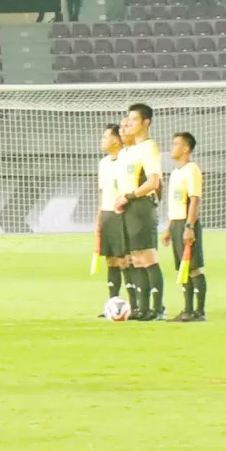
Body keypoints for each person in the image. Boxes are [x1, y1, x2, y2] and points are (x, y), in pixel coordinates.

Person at [118, 102, 167, 320]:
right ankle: (142, 308)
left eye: (134, 119)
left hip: (140, 205)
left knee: (148, 257)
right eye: (128, 119)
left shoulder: (148, 146)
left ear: (146, 122)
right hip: (129, 206)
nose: (129, 123)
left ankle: (158, 308)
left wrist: (129, 196)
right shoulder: (131, 150)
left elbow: (154, 181)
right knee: (136, 258)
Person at [92, 123, 132, 314]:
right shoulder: (103, 163)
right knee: (111, 260)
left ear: (116, 140)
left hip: (122, 213)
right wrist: (99, 217)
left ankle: (135, 304)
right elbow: (102, 192)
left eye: (105, 137)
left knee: (125, 260)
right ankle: (113, 302)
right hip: (107, 213)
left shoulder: (127, 159)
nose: (102, 140)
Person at [167, 132, 206, 322]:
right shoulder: (176, 172)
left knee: (193, 268)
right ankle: (187, 310)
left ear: (185, 148)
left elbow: (194, 200)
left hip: (186, 223)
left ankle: (199, 311)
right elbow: (174, 204)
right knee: (183, 268)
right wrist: (168, 228)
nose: (171, 147)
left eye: (175, 144)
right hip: (176, 223)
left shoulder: (192, 169)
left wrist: (189, 226)